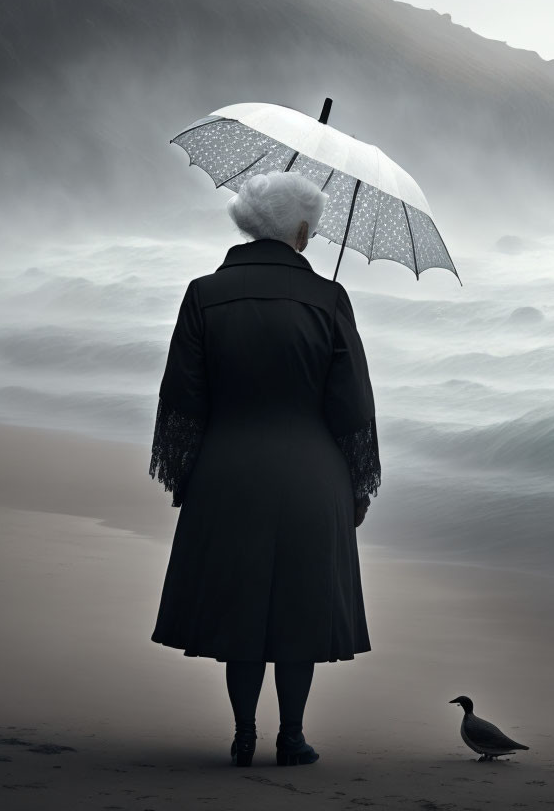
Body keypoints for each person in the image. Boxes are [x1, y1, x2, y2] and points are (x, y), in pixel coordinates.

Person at [149, 170, 381, 768]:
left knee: (241, 604)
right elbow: (351, 404)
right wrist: (359, 483)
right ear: (300, 229)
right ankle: (293, 736)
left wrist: (184, 474)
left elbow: (182, 396)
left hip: (227, 470)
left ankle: (244, 733)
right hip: (312, 475)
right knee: (299, 607)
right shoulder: (329, 299)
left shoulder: (203, 293)